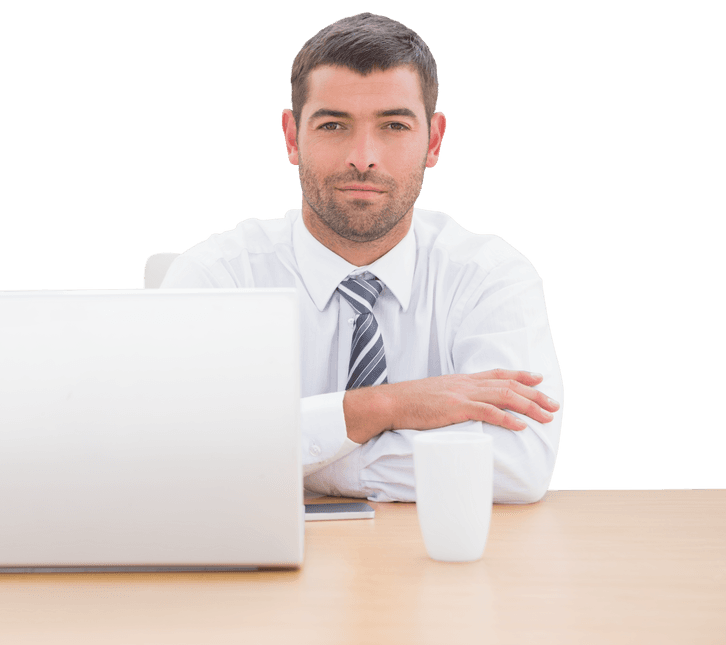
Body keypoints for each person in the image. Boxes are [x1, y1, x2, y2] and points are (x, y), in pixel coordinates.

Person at [160, 12, 563, 504]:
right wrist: (380, 407)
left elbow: (516, 465)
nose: (363, 156)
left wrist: (296, 457)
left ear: (434, 140)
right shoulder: (218, 276)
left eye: (394, 125)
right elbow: (178, 457)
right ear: (291, 137)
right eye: (333, 124)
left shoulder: (490, 276)